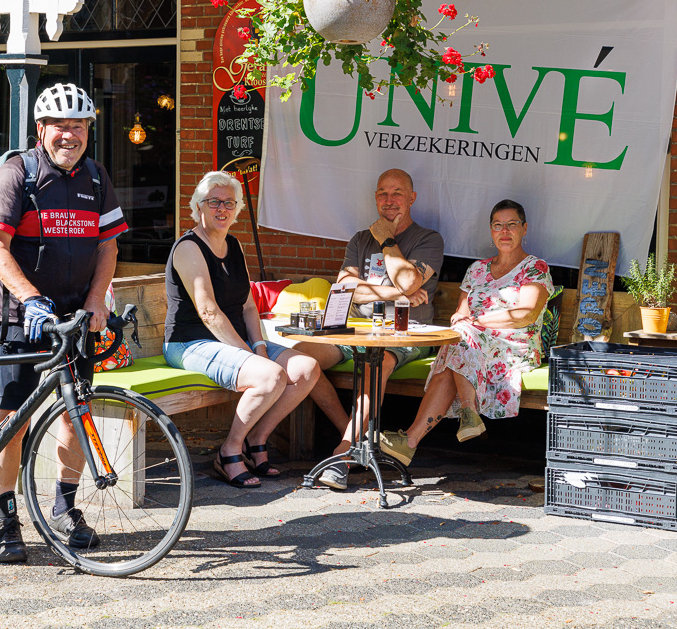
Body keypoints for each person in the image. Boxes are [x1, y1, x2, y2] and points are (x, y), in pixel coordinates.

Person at [0, 82, 127, 563]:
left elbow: (108, 245)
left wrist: (96, 301)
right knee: (13, 421)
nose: (71, 134)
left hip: (75, 319)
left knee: (76, 413)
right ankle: (5, 516)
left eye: (79, 126)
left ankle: (65, 506)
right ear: (41, 129)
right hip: (25, 320)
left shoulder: (97, 176)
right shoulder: (16, 173)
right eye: (61, 125)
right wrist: (30, 299)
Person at [164, 171, 319, 488]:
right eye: (214, 202)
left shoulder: (233, 245)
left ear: (236, 210)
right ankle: (229, 451)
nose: (222, 209)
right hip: (190, 343)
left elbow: (248, 306)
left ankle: (255, 438)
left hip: (234, 340)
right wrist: (249, 354)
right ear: (199, 206)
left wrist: (259, 346)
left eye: (229, 203)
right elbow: (208, 312)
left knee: (306, 368)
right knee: (269, 375)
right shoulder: (189, 247)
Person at [292, 168, 444, 490]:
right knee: (301, 357)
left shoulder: (428, 239)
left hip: (408, 331)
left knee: (380, 362)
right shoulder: (360, 240)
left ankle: (343, 452)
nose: (389, 200)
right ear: (375, 198)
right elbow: (345, 289)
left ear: (412, 198)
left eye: (397, 193)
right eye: (382, 194)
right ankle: (356, 433)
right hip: (358, 329)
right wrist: (397, 293)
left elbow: (409, 279)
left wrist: (388, 240)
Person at [379, 199, 553, 466]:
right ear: (491, 230)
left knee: (459, 342)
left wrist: (476, 321)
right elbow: (461, 313)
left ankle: (414, 438)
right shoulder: (477, 269)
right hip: (472, 342)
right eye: (498, 225)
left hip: (514, 347)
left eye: (511, 225)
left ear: (524, 228)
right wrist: (466, 321)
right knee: (459, 342)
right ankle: (465, 415)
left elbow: (525, 314)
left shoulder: (534, 268)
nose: (504, 231)